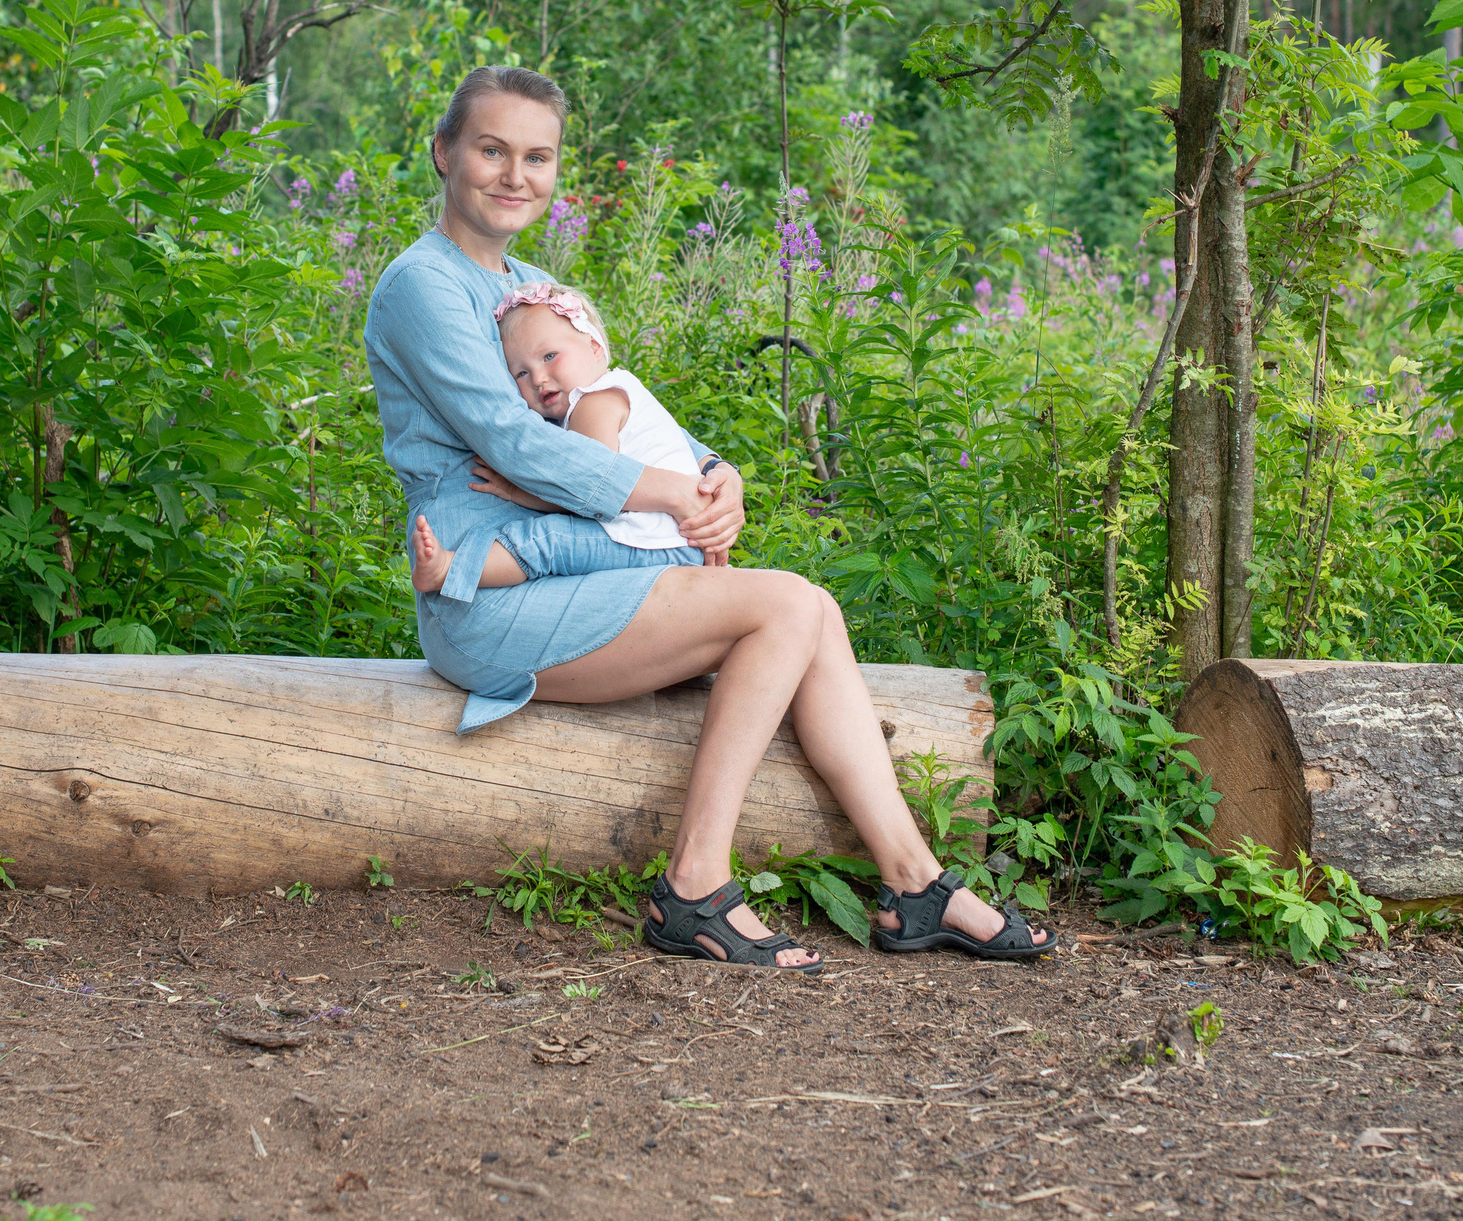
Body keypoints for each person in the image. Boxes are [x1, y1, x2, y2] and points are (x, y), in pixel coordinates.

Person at [362, 64, 1055, 970]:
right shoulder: (423, 285)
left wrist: (715, 471)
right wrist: (674, 494)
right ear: (446, 151)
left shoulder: (534, 285)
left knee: (816, 610)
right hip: (484, 583)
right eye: (491, 149)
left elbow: (623, 413)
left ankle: (915, 881)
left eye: (537, 156)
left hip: (592, 562)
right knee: (787, 604)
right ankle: (692, 885)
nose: (513, 174)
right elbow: (517, 444)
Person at [406, 281, 709, 595]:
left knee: (545, 541)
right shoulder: (610, 392)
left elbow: (583, 490)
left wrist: (515, 491)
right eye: (520, 374)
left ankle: (450, 569)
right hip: (668, 536)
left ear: (594, 346)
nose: (537, 378)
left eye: (550, 356)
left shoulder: (595, 403)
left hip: (657, 541)